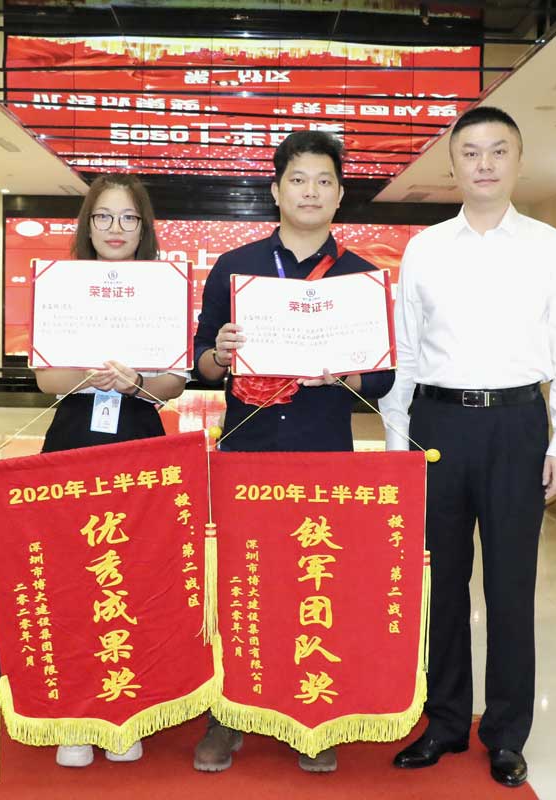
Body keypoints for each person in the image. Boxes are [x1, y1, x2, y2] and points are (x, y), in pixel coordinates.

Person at [379, 106, 556, 788]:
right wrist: (398, 444)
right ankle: (444, 721)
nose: (485, 164)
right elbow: (406, 353)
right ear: (454, 165)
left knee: (509, 586)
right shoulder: (425, 248)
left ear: (519, 161)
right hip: (437, 427)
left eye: (499, 151)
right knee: (441, 584)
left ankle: (505, 733)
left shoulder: (549, 247)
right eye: (470, 153)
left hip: (516, 426)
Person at [191, 130, 395, 774]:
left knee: (315, 582)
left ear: (340, 194)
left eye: (324, 181)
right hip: (246, 449)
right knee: (241, 584)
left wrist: (343, 375)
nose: (311, 191)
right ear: (276, 190)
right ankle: (228, 715)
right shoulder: (236, 267)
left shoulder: (361, 276)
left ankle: (314, 716)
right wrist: (221, 352)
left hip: (322, 452)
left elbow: (382, 377)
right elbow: (200, 363)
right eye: (298, 180)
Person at [33, 173, 187, 767]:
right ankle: (75, 716)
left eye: (128, 218)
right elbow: (45, 379)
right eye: (104, 217)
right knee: (73, 577)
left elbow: (172, 385)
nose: (115, 229)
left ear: (144, 227)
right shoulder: (62, 285)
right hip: (73, 439)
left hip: (139, 438)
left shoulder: (165, 288)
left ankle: (126, 712)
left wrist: (137, 381)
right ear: (87, 224)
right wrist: (86, 376)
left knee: (135, 578)